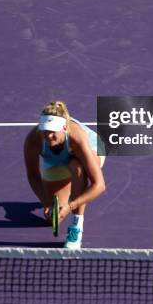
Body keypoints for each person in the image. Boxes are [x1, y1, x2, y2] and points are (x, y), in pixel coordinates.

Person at [24, 100, 105, 249]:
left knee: (78, 168)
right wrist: (46, 202)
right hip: (56, 162)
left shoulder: (77, 138)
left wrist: (71, 205)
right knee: (53, 219)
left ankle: (76, 227)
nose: (48, 136)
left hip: (90, 150)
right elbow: (33, 175)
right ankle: (71, 188)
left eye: (53, 131)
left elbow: (99, 185)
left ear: (64, 127)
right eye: (45, 131)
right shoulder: (33, 140)